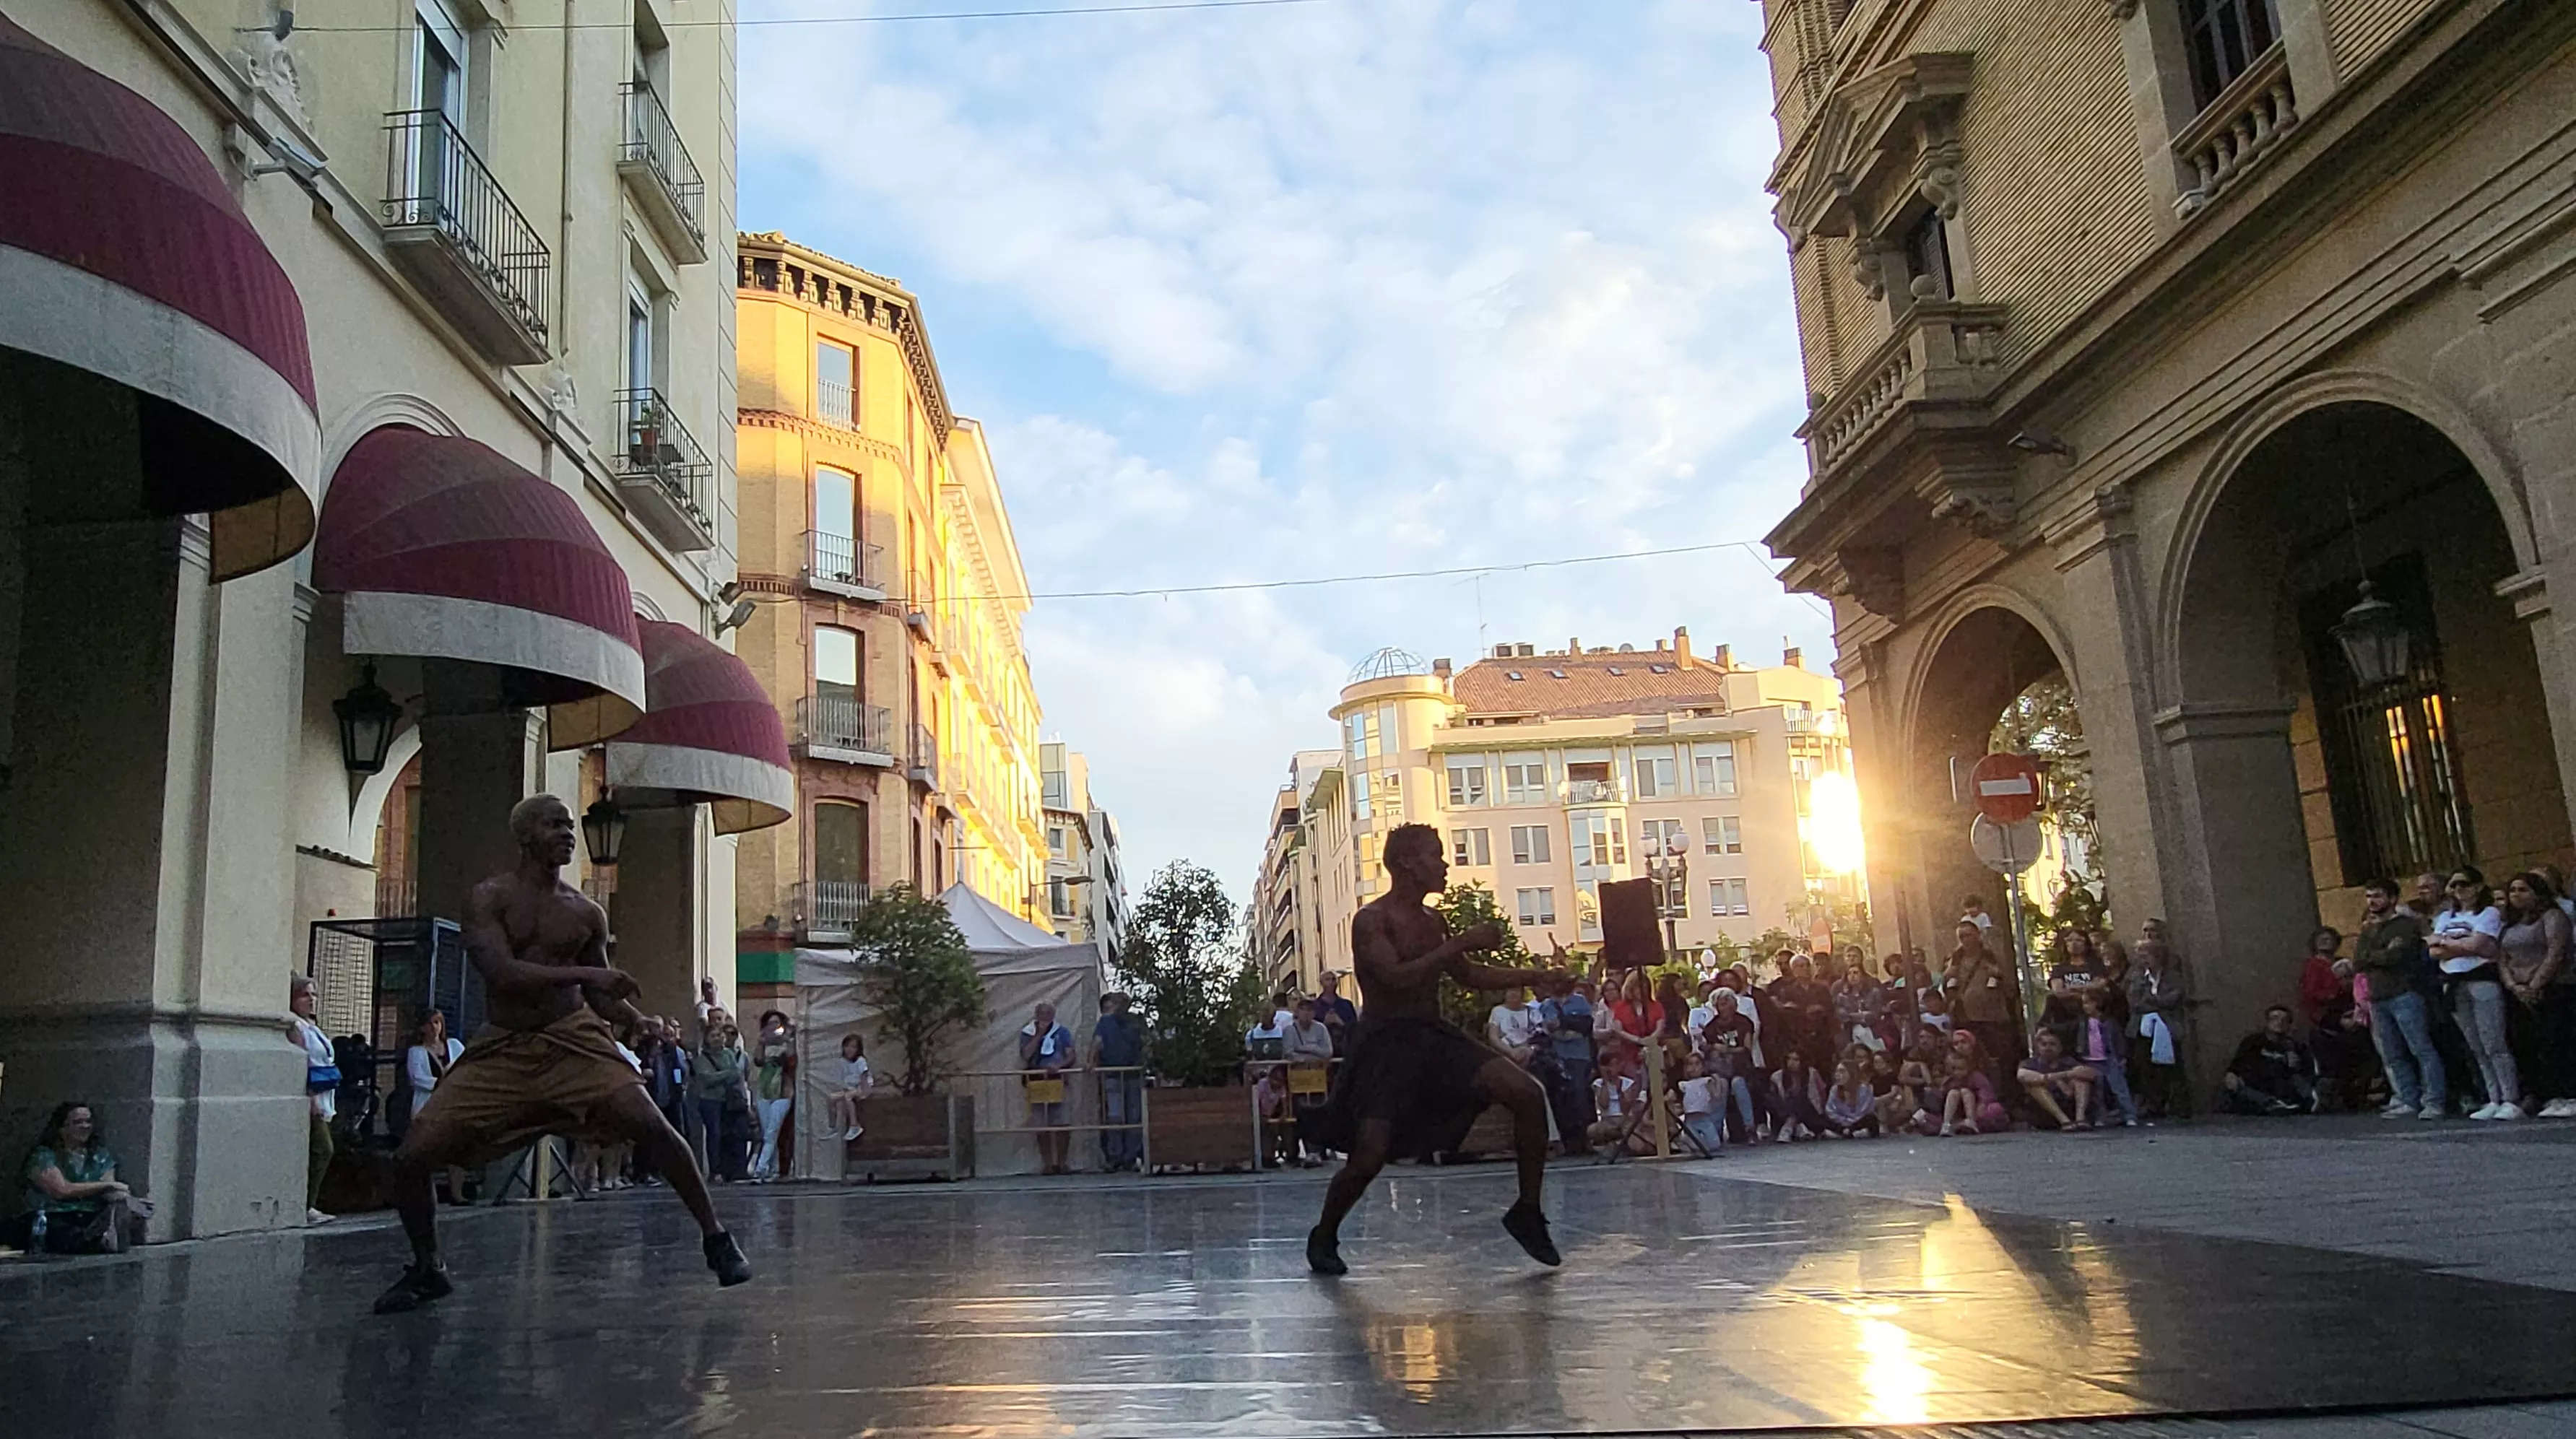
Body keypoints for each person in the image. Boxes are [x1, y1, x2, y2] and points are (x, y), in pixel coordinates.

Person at [371, 795, 749, 1313]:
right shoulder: (490, 897)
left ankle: (716, 1238)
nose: (567, 834)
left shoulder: (585, 912)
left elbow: (599, 995)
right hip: (504, 1043)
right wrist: (589, 974)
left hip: (573, 1038)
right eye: (555, 825)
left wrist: (634, 1019)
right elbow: (503, 973)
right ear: (525, 835)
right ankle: (427, 1266)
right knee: (413, 1154)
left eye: (570, 826)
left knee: (654, 1126)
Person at [1306, 823, 1567, 1275]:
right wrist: (1461, 944)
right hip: (1386, 1042)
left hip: (1432, 1035)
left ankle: (1527, 1209)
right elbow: (1396, 977)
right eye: (1436, 855)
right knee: (1368, 1156)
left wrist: (1533, 976)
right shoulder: (1373, 919)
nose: (1444, 865)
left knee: (1527, 1094)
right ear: (1407, 863)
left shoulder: (1433, 921)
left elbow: (1468, 976)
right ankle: (1325, 1232)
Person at [2351, 877, 2449, 1120]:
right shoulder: (2369, 929)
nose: (2372, 901)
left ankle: (2434, 1100)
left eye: (2377, 896)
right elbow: (2358, 961)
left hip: (2405, 994)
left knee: (2421, 1048)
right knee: (2392, 1054)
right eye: (2369, 896)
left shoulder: (2406, 925)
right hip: (2377, 997)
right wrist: (2380, 954)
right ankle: (2408, 1098)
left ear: (2393, 899)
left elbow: (2398, 956)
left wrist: (2376, 956)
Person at [2429, 866, 2521, 1120]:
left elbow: (2480, 944)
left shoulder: (2489, 913)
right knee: (2476, 1046)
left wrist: (2447, 944)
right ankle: (2493, 1097)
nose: (2460, 890)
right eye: (2454, 886)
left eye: (2465, 884)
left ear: (2478, 887)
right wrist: (2462, 947)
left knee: (2494, 1042)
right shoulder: (2445, 917)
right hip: (2453, 982)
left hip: (2481, 980)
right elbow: (2433, 951)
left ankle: (2511, 1098)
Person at [14, 1102, 150, 1253]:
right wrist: (110, 1186)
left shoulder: (100, 1155)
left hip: (88, 1215)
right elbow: (61, 1190)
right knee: (64, 1234)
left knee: (115, 1207)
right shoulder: (43, 1156)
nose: (85, 1126)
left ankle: (105, 1235)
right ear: (61, 1128)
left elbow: (109, 1188)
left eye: (88, 1121)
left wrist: (128, 1201)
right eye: (78, 1122)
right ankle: (98, 1240)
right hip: (53, 1216)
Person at [2497, 871, 2575, 1117]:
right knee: (2524, 1043)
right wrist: (2513, 986)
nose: (2516, 896)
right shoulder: (2510, 925)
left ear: (2538, 893)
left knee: (2555, 1042)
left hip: (2553, 988)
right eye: (2512, 891)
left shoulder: (2552, 917)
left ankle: (2566, 1094)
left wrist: (2536, 984)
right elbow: (2502, 958)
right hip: (2518, 990)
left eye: (2523, 890)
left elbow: (2556, 952)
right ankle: (2537, 1093)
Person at [286, 975, 339, 1227]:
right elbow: (302, 1063)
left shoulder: (313, 1026)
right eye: (305, 994)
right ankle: (306, 1204)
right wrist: (310, 1098)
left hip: (325, 1094)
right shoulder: (296, 1027)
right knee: (323, 1148)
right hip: (312, 1096)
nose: (311, 999)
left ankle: (309, 1203)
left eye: (314, 994)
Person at [402, 1009, 470, 1202]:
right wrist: (444, 1082)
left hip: (453, 1104)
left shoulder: (455, 1046)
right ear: (422, 1027)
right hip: (428, 1105)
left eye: (437, 1023)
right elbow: (418, 1079)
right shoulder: (416, 1052)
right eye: (430, 1023)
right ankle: (428, 1195)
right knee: (428, 1150)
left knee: (457, 1149)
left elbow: (467, 1066)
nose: (434, 1027)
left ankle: (457, 1193)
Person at [2128, 924, 2193, 1119]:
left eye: (2146, 955)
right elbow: (2135, 1003)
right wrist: (2159, 1003)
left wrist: (2154, 1001)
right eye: (2139, 956)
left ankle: (2180, 1104)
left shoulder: (2172, 976)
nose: (2142, 960)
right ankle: (2153, 1104)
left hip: (2169, 1026)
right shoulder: (2137, 977)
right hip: (2142, 1029)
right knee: (2146, 1067)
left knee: (2175, 1066)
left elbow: (2176, 997)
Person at [1535, 972, 1597, 1156]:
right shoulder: (1546, 1005)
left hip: (1579, 1057)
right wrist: (1569, 1027)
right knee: (1561, 1099)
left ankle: (1584, 1139)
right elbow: (1549, 1030)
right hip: (1557, 1058)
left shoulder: (1580, 1002)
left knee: (1580, 1095)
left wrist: (1563, 1023)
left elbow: (1585, 1027)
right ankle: (1566, 1140)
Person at [1946, 920, 2017, 1077]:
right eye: (1962, 936)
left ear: (1978, 936)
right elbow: (1947, 987)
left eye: (1969, 935)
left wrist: (1997, 974)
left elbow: (2009, 986)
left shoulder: (1991, 957)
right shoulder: (1955, 960)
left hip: (1991, 1018)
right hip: (1965, 1017)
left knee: (1995, 1059)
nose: (1966, 940)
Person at [2223, 1005, 2319, 1115]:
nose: (2279, 1022)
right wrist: (2231, 1074)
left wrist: (2296, 1065)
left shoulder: (2296, 1046)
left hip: (2283, 1087)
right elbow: (2238, 1065)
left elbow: (2308, 1071)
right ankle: (2272, 1104)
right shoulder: (2253, 1043)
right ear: (2267, 1022)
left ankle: (2306, 1102)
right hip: (2258, 1085)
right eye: (2275, 1018)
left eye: (2284, 1020)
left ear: (2289, 1025)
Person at [1092, 993, 1148, 1170]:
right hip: (1114, 1073)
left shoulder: (1135, 1022)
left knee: (1133, 1116)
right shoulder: (1107, 1022)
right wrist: (1091, 1063)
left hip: (1132, 1073)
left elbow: (1145, 1044)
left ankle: (1128, 1157)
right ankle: (1117, 1156)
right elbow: (1097, 1044)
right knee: (1117, 1116)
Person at [1021, 1002, 1078, 1175]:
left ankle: (1062, 1162)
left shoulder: (1063, 1032)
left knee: (1061, 1122)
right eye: (1042, 1013)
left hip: (1057, 1079)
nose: (1045, 1016)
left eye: (1048, 1013)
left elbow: (1071, 1055)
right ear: (1036, 1015)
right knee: (1041, 1123)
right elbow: (1026, 1055)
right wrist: (1039, 1035)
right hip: (1036, 1080)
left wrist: (1060, 1066)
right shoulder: (1027, 1032)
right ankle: (1047, 1163)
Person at [693, 1018, 753, 1181]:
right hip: (710, 1101)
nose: (718, 1039)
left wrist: (720, 1076)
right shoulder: (702, 1058)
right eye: (713, 1036)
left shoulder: (728, 1054)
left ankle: (731, 1169)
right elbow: (707, 1079)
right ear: (707, 1039)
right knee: (714, 1134)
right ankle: (715, 1170)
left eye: (719, 1035)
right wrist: (725, 1074)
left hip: (727, 1101)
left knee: (729, 1135)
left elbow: (736, 1074)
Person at [2070, 987, 2138, 1126]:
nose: (2086, 1007)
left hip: (2109, 1059)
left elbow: (2118, 1040)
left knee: (2119, 1088)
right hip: (2090, 1060)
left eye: (2088, 1003)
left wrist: (2122, 1057)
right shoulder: (2083, 1022)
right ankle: (2100, 1117)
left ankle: (2129, 1115)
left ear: (2098, 1003)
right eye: (2084, 1003)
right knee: (2098, 1092)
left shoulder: (2109, 1022)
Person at [1283, 997, 1336, 1165]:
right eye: (1303, 1010)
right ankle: (1296, 1152)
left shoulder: (1321, 1029)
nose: (1306, 1014)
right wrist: (1313, 1054)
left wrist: (1305, 1049)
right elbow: (1289, 1053)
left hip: (1318, 1080)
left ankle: (1317, 1151)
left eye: (1310, 1010)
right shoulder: (1290, 1031)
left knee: (1318, 1113)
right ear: (1297, 1013)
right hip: (1297, 1081)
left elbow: (1328, 1052)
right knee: (1299, 1115)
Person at [2016, 1029, 2098, 1130]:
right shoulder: (2030, 1064)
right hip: (2045, 1116)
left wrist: (2059, 1076)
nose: (2048, 1047)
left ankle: (2080, 1119)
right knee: (2035, 1087)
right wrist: (2057, 1080)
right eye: (2044, 1044)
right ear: (2038, 1048)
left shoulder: (2068, 1061)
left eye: (2052, 1044)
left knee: (2081, 1081)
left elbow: (2091, 1074)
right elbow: (2022, 1075)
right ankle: (2064, 1121)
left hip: (2070, 1107)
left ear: (2060, 1048)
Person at [749, 1010, 796, 1182]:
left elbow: (791, 1059)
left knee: (772, 1131)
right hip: (765, 1089)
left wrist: (788, 1038)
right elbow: (758, 1060)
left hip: (783, 1090)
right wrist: (761, 1042)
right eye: (770, 1023)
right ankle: (773, 1169)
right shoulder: (764, 1043)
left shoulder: (788, 1042)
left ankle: (760, 1169)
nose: (773, 1026)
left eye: (777, 1023)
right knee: (768, 1131)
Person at [1936, 1051, 2007, 1136]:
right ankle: (1947, 1123)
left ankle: (1971, 1121)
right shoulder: (1950, 1080)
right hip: (1957, 1111)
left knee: (1966, 1092)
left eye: (1961, 1069)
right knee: (1953, 1093)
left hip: (1975, 1108)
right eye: (1954, 1069)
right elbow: (1941, 1095)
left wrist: (1982, 1103)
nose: (1957, 1072)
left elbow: (1985, 1090)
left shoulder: (1975, 1077)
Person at [1769, 1048, 1825, 1143]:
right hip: (1784, 1114)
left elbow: (1822, 1093)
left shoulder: (1812, 1073)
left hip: (1810, 1111)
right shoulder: (1776, 1076)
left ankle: (1791, 1127)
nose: (1792, 1063)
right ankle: (1798, 1127)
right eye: (1789, 1059)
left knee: (1799, 1100)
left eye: (1796, 1060)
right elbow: (1775, 1100)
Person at [826, 1032, 873, 1144]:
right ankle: (832, 1127)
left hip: (862, 1087)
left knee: (848, 1097)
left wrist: (863, 1093)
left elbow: (864, 1078)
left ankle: (854, 1125)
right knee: (831, 1098)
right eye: (847, 1046)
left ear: (858, 1049)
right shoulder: (842, 1062)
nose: (850, 1049)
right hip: (850, 1088)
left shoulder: (861, 1061)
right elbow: (843, 1079)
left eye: (853, 1047)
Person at [1675, 1054, 1726, 1156]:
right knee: (1693, 1139)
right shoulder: (1684, 1084)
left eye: (1697, 1064)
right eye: (1690, 1064)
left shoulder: (1706, 1081)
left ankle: (1697, 1145)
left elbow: (1716, 1096)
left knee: (1715, 1145)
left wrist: (1717, 1081)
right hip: (1690, 1120)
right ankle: (1689, 1142)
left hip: (1704, 1119)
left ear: (1703, 1067)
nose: (1694, 1067)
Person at [1820, 1060, 1878, 1138]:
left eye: (1842, 1071)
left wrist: (1850, 1122)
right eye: (1837, 1072)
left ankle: (1848, 1132)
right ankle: (1847, 1132)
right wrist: (1843, 1121)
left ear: (1852, 1073)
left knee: (1871, 1119)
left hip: (1857, 1121)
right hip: (1841, 1123)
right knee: (1822, 1119)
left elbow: (1864, 1111)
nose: (1837, 1075)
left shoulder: (1863, 1089)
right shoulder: (1834, 1089)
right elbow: (1830, 1110)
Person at [1486, 988, 1541, 1066]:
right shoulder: (1497, 1011)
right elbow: (1493, 1037)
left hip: (1529, 1056)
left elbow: (1541, 1037)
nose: (1513, 994)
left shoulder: (1533, 1012)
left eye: (1517, 991)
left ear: (1522, 994)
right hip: (1505, 1056)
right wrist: (1511, 1052)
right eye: (1510, 990)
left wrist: (1529, 1050)